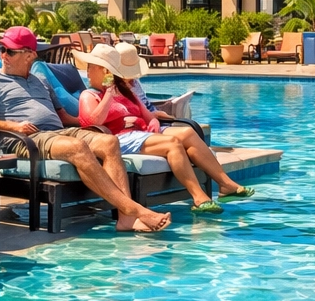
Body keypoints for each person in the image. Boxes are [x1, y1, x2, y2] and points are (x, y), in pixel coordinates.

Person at [0, 26, 171, 233]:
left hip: (57, 132)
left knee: (109, 142)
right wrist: (13, 126)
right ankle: (134, 209)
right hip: (25, 137)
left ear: (29, 55)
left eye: (10, 51)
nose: (3, 55)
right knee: (77, 146)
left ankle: (125, 219)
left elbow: (64, 117)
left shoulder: (40, 81)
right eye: (3, 50)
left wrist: (93, 124)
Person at [74, 42, 254, 214]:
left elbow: (147, 114)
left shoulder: (125, 90)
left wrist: (154, 121)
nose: (88, 72)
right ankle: (199, 197)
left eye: (92, 66)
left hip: (139, 133)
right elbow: (91, 122)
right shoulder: (89, 95)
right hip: (117, 138)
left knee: (188, 132)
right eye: (90, 67)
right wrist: (109, 95)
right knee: (172, 143)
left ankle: (225, 184)